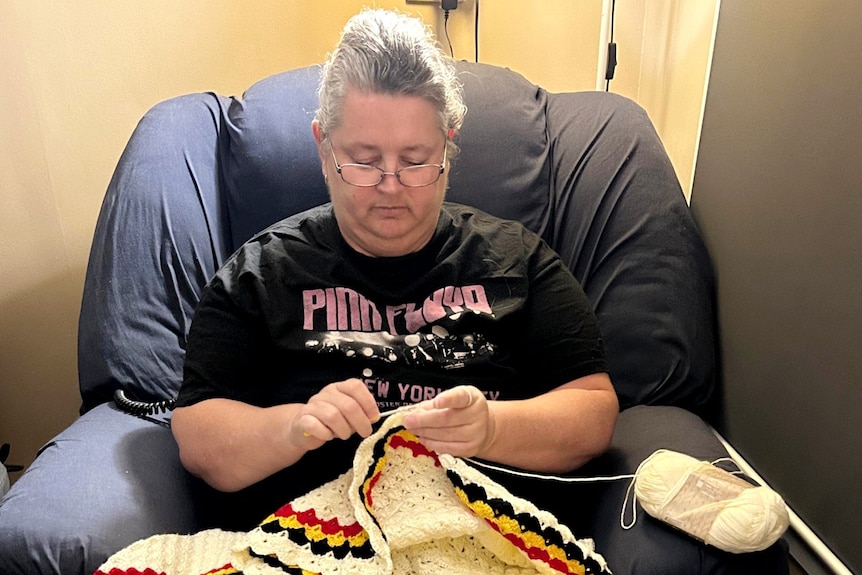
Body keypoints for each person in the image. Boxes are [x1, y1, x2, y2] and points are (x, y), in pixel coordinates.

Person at [171, 8, 618, 529]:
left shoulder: (518, 260)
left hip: (483, 535)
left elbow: (593, 413)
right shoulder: (262, 272)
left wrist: (492, 428)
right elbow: (198, 437)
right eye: (363, 160)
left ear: (449, 148)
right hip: (317, 537)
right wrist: (296, 427)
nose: (390, 185)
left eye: (415, 160)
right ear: (323, 148)